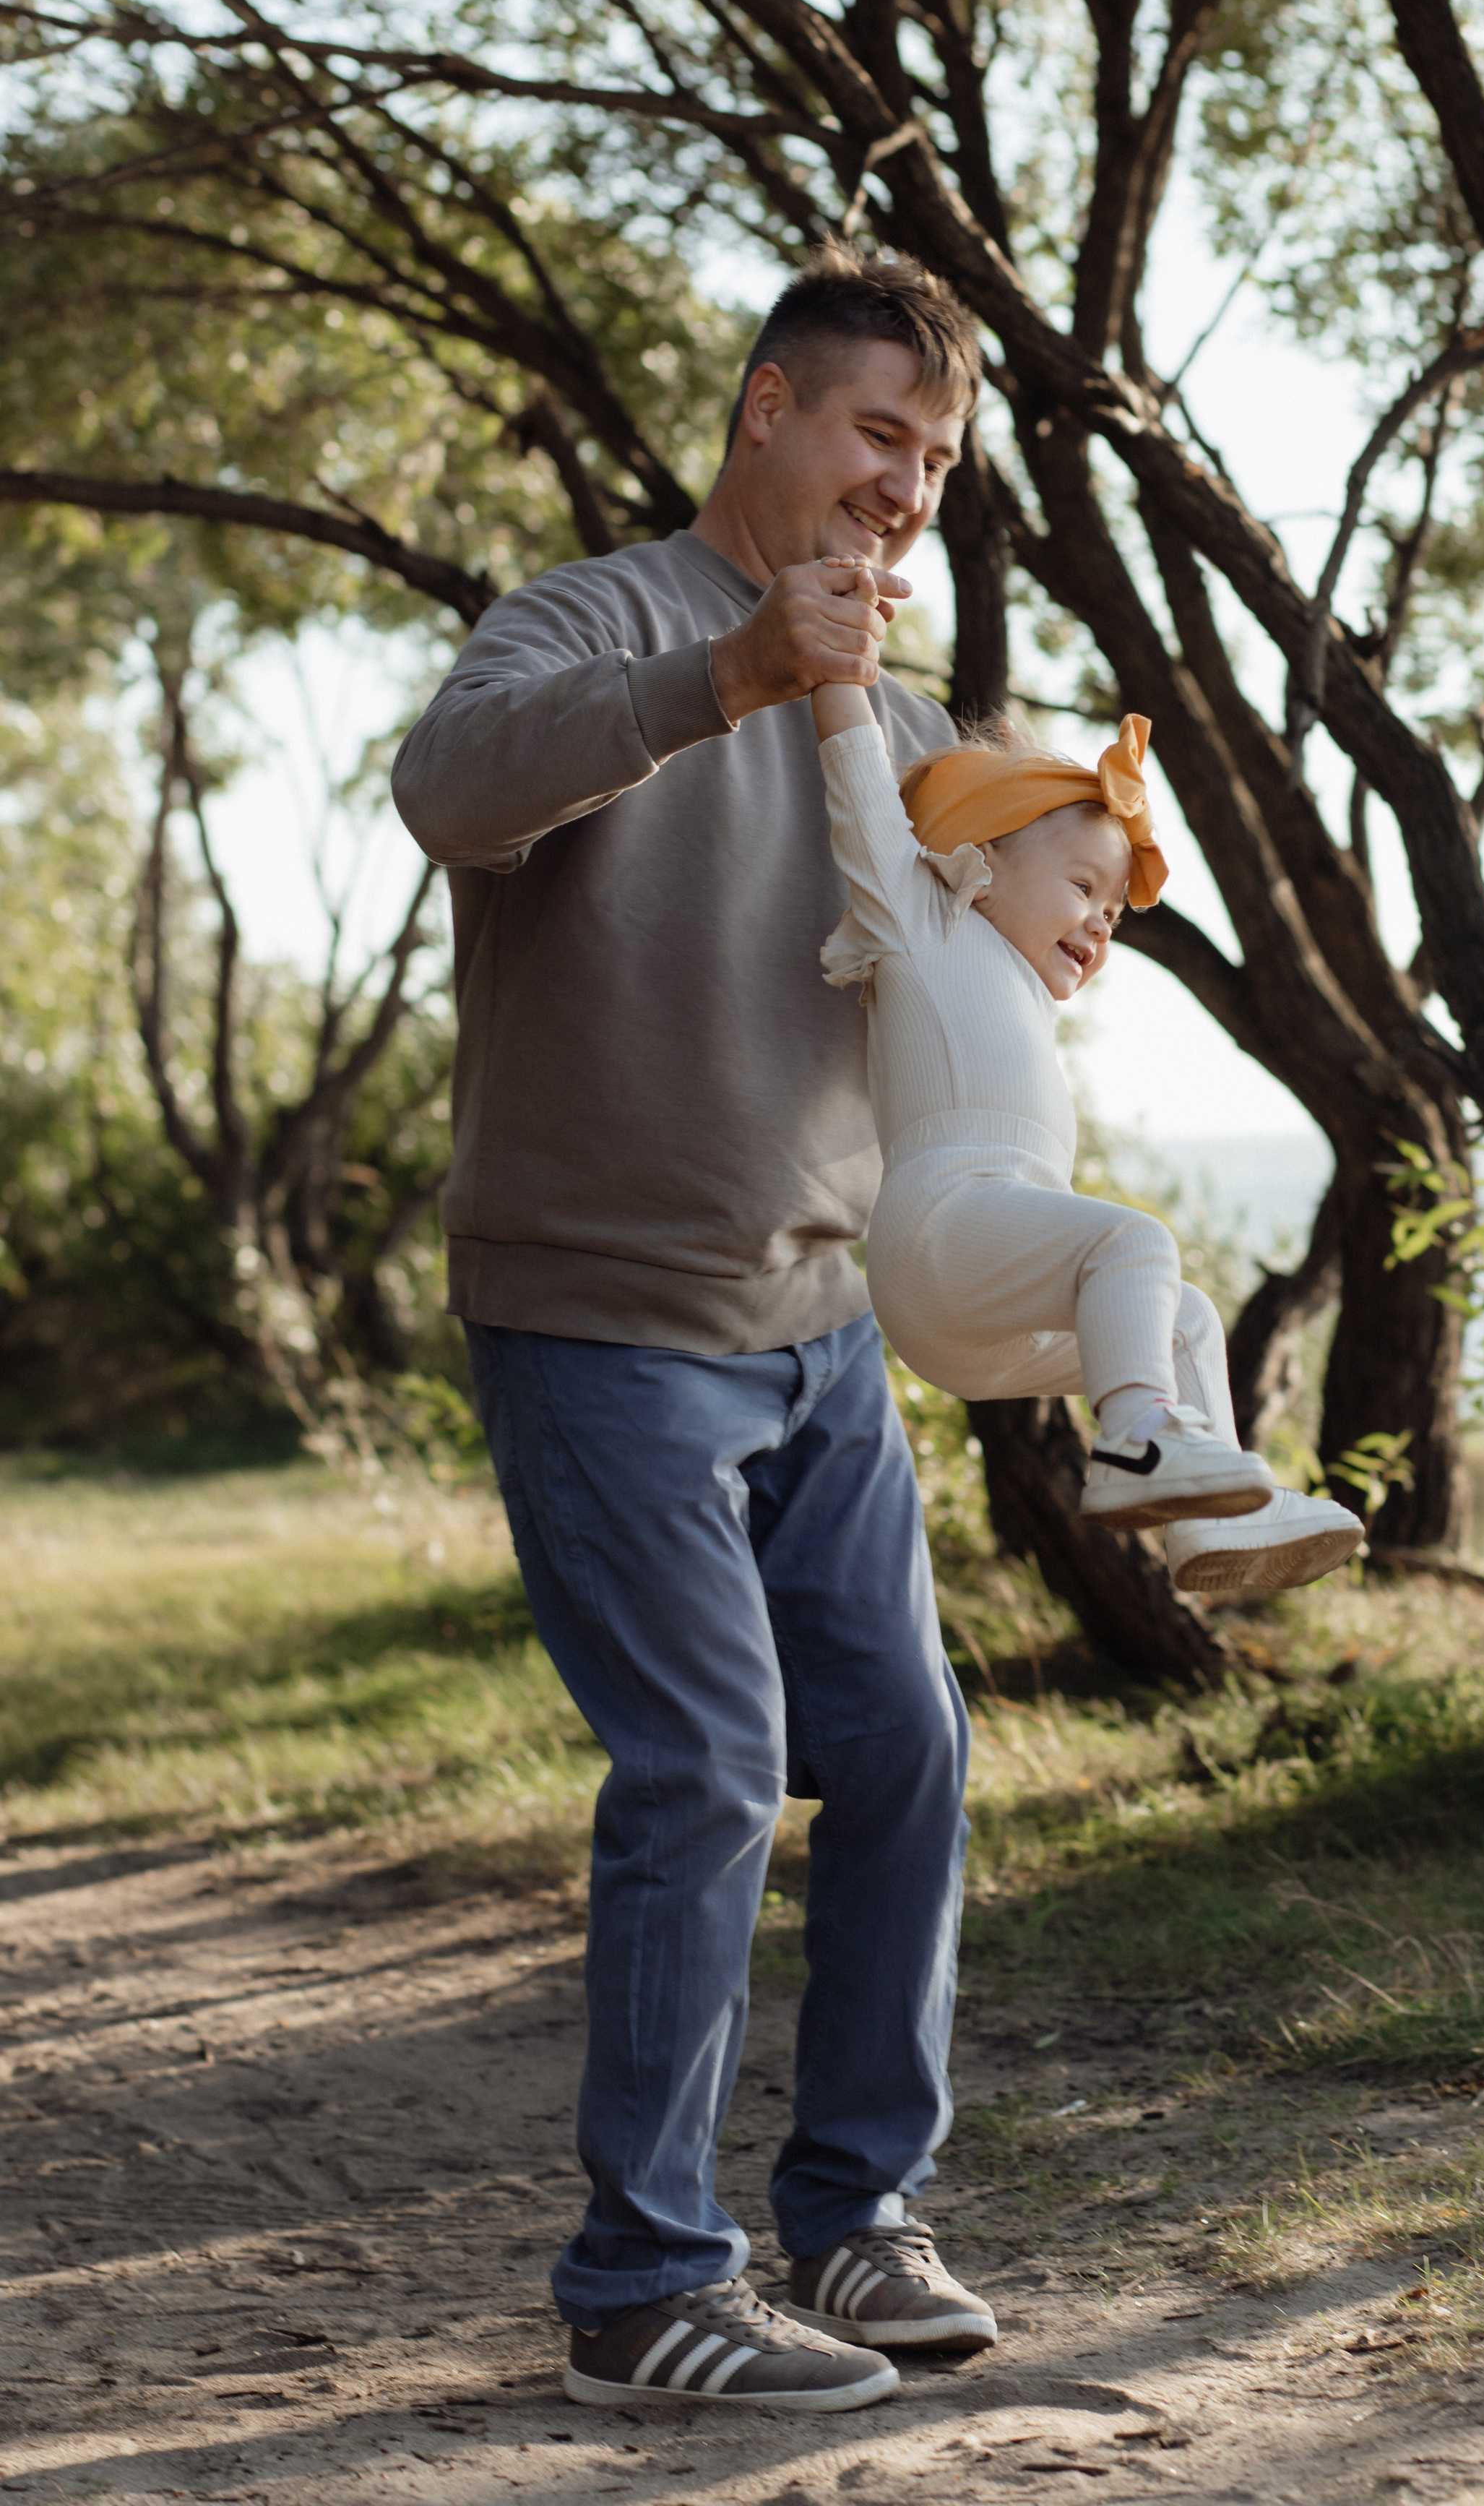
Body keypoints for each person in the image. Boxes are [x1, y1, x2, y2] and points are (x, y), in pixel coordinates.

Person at [392, 246, 997, 2416]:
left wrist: (1050, 909)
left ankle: (857, 2211)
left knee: (906, 1744)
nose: (904, 486)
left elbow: (958, 996)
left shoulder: (909, 730)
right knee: (712, 1765)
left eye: (936, 460)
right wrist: (732, 672)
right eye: (875, 433)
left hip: (819, 1329)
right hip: (601, 1318)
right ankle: (643, 2282)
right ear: (765, 411)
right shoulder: (591, 622)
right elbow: (452, 789)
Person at [808, 674, 1366, 1600]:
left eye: (1113, 911)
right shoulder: (922, 922)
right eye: (1082, 887)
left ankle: (1205, 1522)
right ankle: (1139, 1442)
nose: (1103, 921)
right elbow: (861, 788)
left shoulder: (1021, 993)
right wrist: (836, 671)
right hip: (940, 1230)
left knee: (1185, 1317)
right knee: (1132, 1243)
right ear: (982, 861)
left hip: (985, 1313)